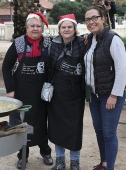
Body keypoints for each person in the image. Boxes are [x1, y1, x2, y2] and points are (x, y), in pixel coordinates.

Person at [2, 12, 53, 169]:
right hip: (21, 92)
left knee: (41, 124)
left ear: (42, 27)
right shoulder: (18, 43)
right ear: (26, 27)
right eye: (32, 26)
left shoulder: (49, 42)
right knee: (22, 125)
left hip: (41, 93)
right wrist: (10, 90)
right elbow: (6, 66)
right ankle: (22, 156)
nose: (36, 29)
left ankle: (45, 151)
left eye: (38, 26)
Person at [84, 6, 126, 170]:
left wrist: (114, 95)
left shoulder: (112, 39)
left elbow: (122, 69)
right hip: (95, 95)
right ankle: (104, 163)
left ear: (103, 18)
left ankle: (110, 167)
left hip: (110, 95)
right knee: (99, 131)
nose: (91, 22)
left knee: (109, 133)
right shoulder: (90, 39)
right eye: (88, 19)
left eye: (94, 18)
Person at [47, 14, 86, 170]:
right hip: (57, 93)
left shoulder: (83, 43)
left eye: (70, 27)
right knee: (58, 128)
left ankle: (75, 162)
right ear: (59, 29)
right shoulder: (53, 44)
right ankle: (60, 161)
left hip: (76, 93)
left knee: (75, 128)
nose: (67, 29)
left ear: (75, 28)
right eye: (63, 27)